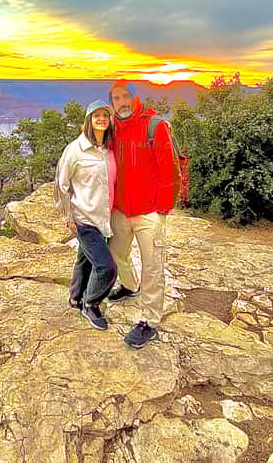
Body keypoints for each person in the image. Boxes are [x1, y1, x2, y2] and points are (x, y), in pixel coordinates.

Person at [106, 80, 181, 348]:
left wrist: (163, 209)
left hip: (149, 211)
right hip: (120, 209)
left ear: (136, 98)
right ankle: (129, 286)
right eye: (116, 98)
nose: (122, 102)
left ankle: (149, 320)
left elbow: (169, 168)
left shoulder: (154, 126)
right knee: (116, 253)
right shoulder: (112, 128)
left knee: (152, 266)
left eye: (126, 96)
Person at [53, 100, 118, 330]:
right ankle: (91, 304)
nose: (101, 119)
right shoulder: (75, 150)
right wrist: (67, 216)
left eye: (105, 115)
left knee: (85, 259)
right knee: (106, 268)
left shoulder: (109, 149)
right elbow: (61, 185)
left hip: (104, 218)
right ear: (88, 120)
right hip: (84, 218)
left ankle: (75, 298)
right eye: (96, 115)